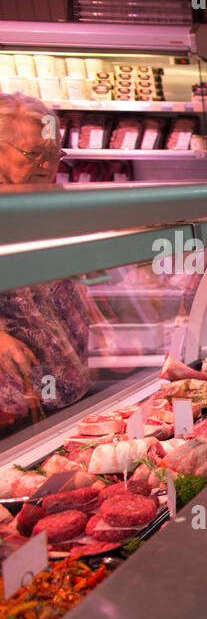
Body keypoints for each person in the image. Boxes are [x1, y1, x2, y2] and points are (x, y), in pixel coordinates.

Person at [0, 93, 91, 431]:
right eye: (33, 153)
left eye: (53, 154)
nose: (46, 165)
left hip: (69, 388)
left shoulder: (44, 206)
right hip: (17, 406)